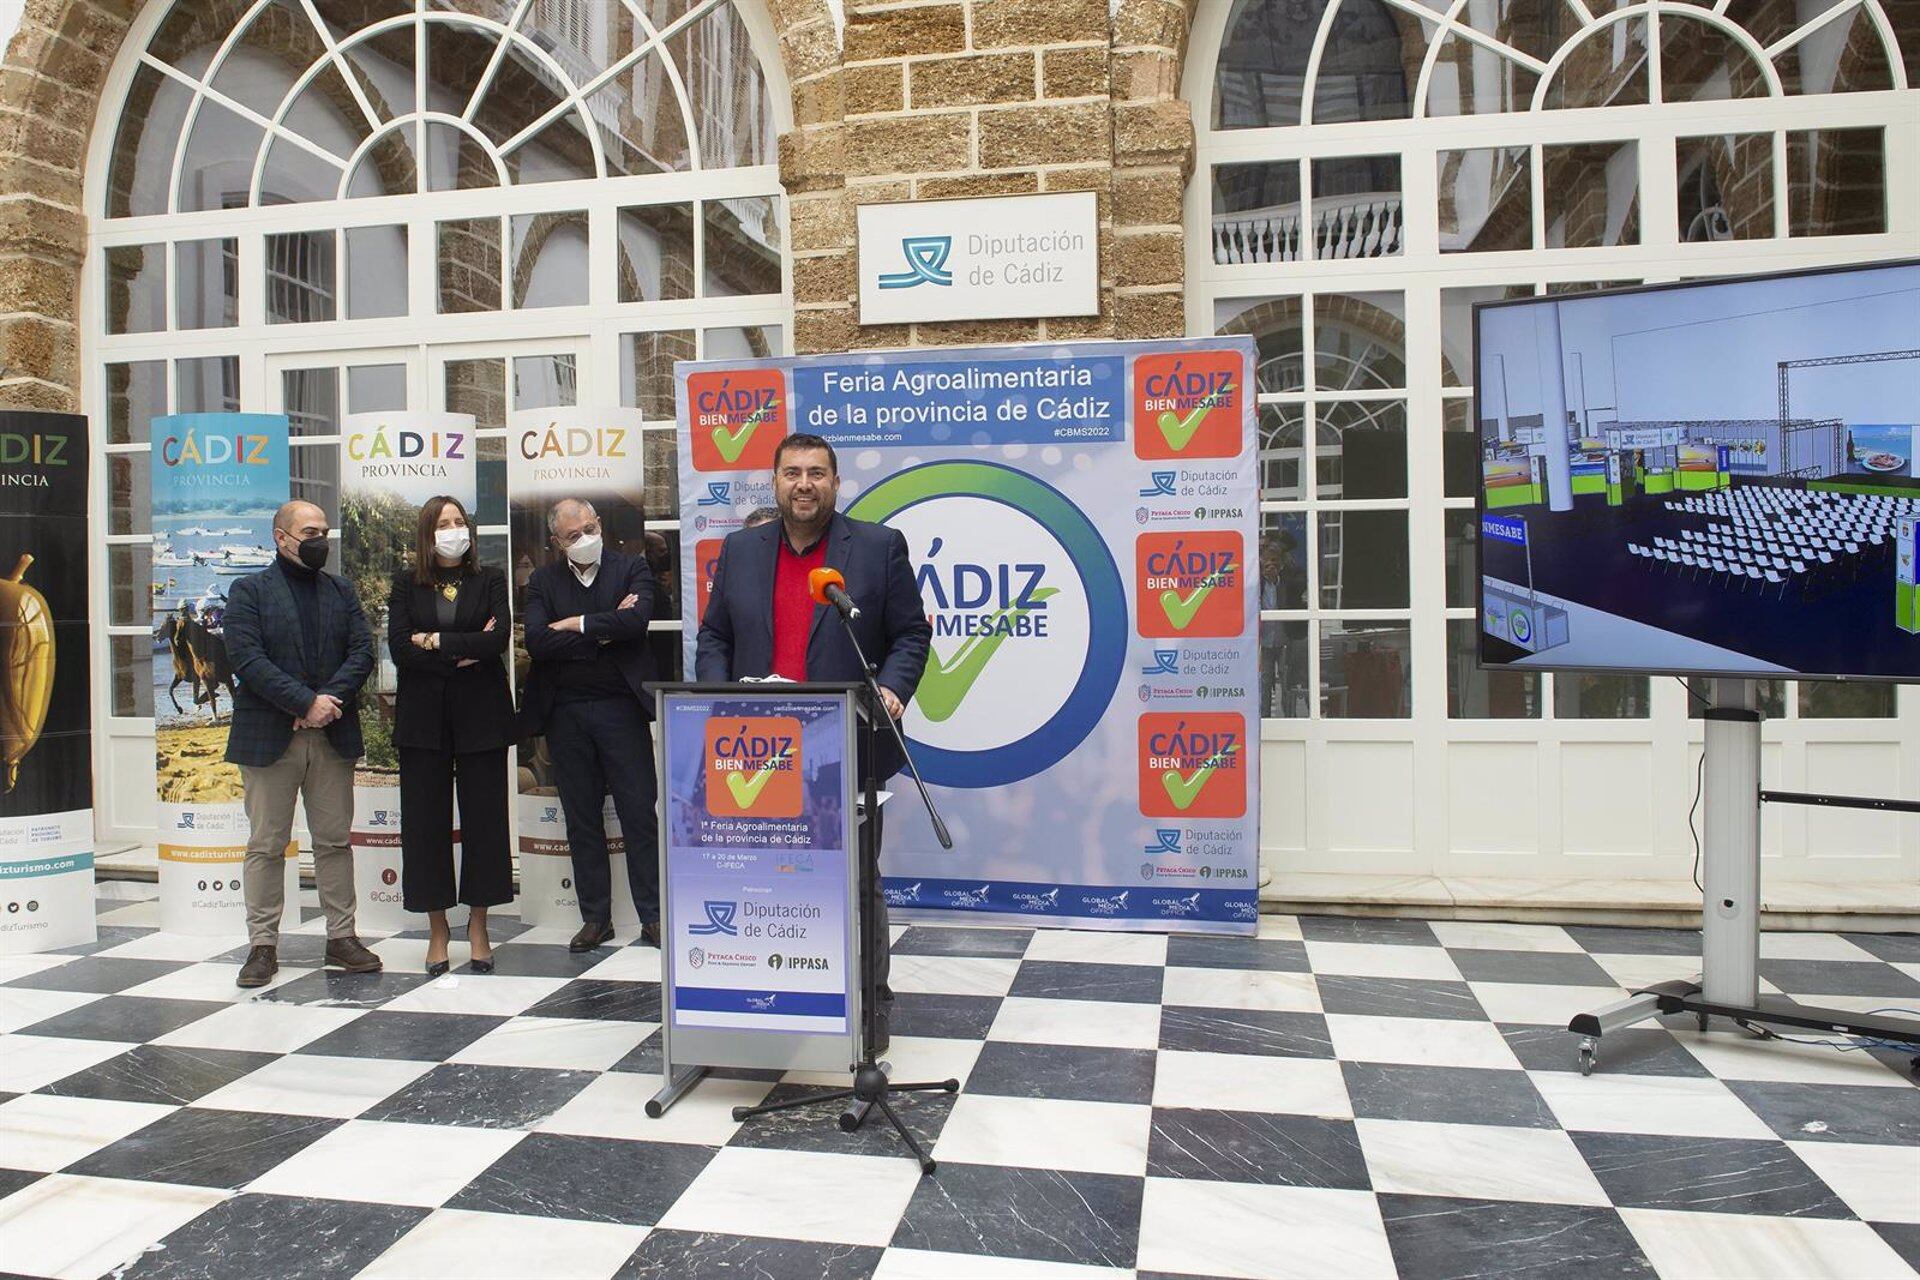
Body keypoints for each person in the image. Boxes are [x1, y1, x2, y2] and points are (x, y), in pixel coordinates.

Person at [695, 434, 930, 1047]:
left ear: (836, 482)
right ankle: (775, 1005)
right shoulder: (741, 550)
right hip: (755, 754)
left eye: (817, 473)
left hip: (844, 747)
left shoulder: (877, 548)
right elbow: (715, 637)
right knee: (767, 882)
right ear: (774, 482)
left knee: (854, 883)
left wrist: (894, 689)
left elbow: (909, 635)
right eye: (792, 472)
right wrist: (723, 705)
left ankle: (868, 1016)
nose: (804, 484)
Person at [222, 500, 380, 987]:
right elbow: (248, 660)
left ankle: (342, 936)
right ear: (281, 537)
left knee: (334, 840)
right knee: (267, 844)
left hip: (331, 733)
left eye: (324, 532)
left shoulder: (341, 590)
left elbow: (363, 651)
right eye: (310, 531)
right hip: (272, 736)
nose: (320, 541)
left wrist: (325, 702)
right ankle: (263, 945)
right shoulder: (248, 591)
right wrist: (302, 703)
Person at [521, 498, 662, 952]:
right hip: (566, 714)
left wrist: (577, 624)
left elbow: (636, 622)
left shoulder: (632, 569)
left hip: (622, 709)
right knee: (581, 819)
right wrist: (603, 631)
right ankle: (595, 918)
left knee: (639, 814)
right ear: (556, 542)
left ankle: (653, 917)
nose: (583, 539)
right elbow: (539, 642)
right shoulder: (543, 580)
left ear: (599, 524)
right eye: (572, 535)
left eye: (588, 528)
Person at [387, 496, 515, 975]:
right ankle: (438, 928)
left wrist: (435, 639)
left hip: (482, 714)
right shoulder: (406, 583)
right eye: (443, 523)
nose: (453, 529)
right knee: (424, 822)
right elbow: (401, 648)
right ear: (427, 533)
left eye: (459, 521)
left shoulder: (490, 578)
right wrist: (463, 647)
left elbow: (496, 640)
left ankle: (478, 924)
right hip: (423, 718)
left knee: (485, 820)